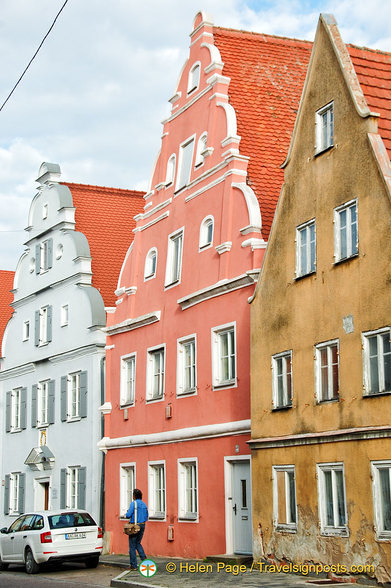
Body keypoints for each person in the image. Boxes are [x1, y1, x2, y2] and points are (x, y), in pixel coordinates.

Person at [126, 488, 148, 570]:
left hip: (135, 526)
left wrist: (127, 513)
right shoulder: (144, 504)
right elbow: (146, 517)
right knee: (138, 543)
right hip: (142, 525)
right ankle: (144, 558)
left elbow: (128, 515)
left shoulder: (133, 504)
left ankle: (133, 565)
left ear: (134, 496)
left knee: (132, 546)